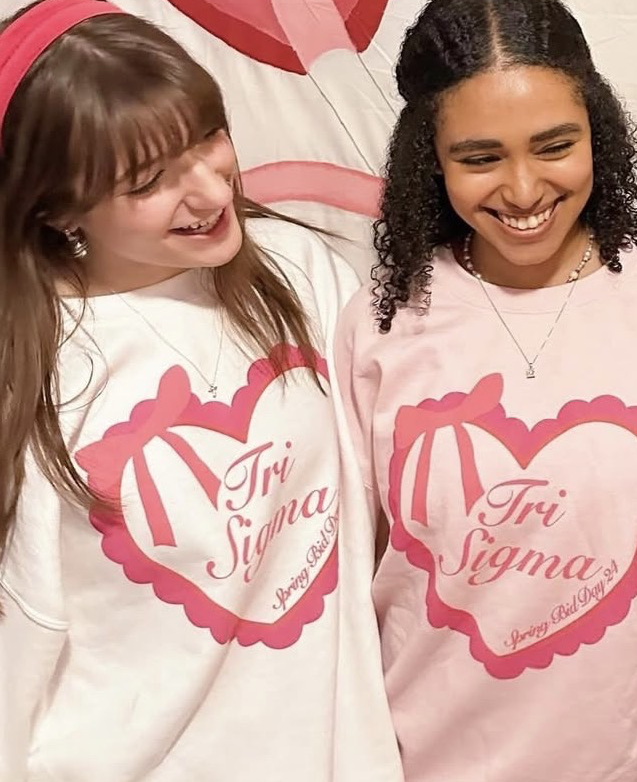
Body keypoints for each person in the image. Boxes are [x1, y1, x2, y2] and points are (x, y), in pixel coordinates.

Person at [335, 1, 637, 779]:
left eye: (555, 146)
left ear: (598, 129)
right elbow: (344, 584)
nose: (523, 189)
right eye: (479, 157)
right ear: (429, 158)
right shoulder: (382, 320)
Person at [0, 2, 400, 780]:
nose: (210, 189)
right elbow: (21, 646)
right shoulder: (42, 374)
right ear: (57, 208)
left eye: (207, 137)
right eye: (149, 180)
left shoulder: (298, 272)